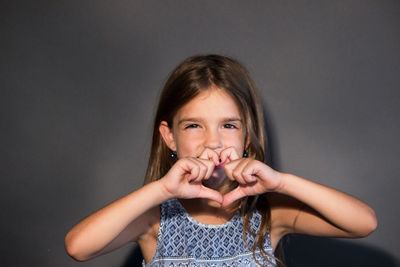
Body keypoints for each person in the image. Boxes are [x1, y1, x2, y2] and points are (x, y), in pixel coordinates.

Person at [65, 54, 377, 266]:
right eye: (193, 125)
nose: (213, 141)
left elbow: (364, 223)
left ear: (247, 136)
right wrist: (162, 190)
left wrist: (282, 182)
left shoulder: (270, 214)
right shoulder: (155, 220)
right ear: (169, 135)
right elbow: (78, 247)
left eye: (228, 125)